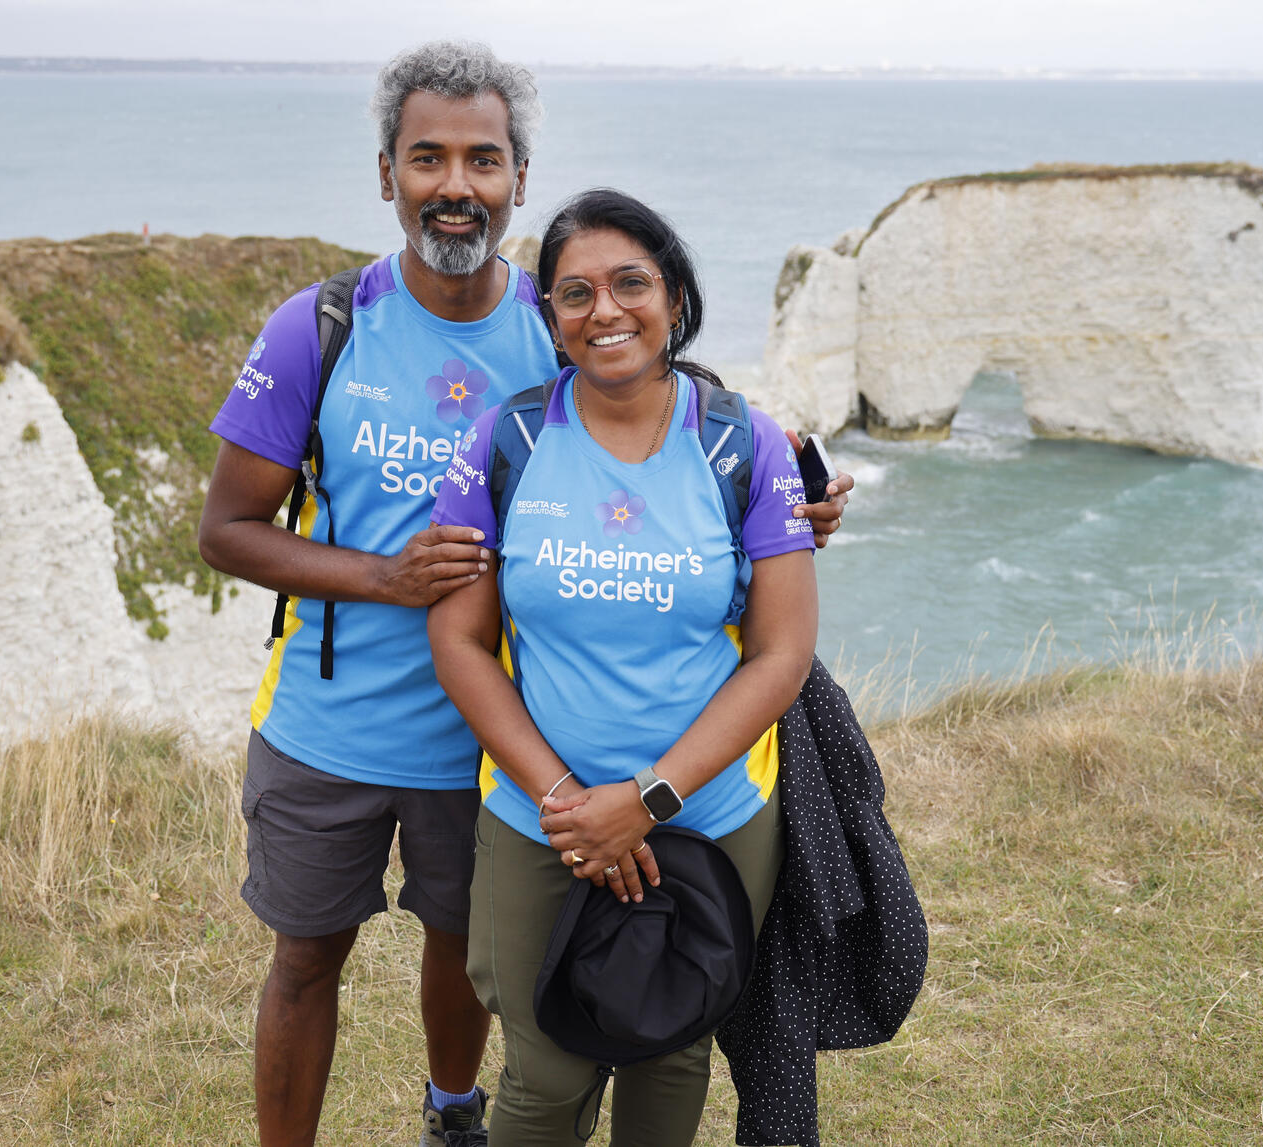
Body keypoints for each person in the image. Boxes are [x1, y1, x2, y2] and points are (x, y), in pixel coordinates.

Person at [197, 44, 852, 1147]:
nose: (456, 184)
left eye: (483, 159)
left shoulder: (558, 325)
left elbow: (673, 434)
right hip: (332, 723)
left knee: (469, 952)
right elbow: (225, 530)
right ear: (386, 175)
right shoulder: (319, 327)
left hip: (498, 742)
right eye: (428, 158)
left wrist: (795, 507)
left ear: (518, 177)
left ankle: (452, 1114)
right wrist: (383, 577)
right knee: (306, 956)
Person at [427, 187, 818, 1145]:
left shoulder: (745, 444)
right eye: (574, 294)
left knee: (671, 1048)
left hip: (710, 815)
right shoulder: (505, 441)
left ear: (675, 297)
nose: (605, 310)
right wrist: (574, 800)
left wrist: (643, 801)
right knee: (545, 1074)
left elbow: (782, 654)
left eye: (630, 283)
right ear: (551, 321)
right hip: (539, 816)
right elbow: (459, 642)